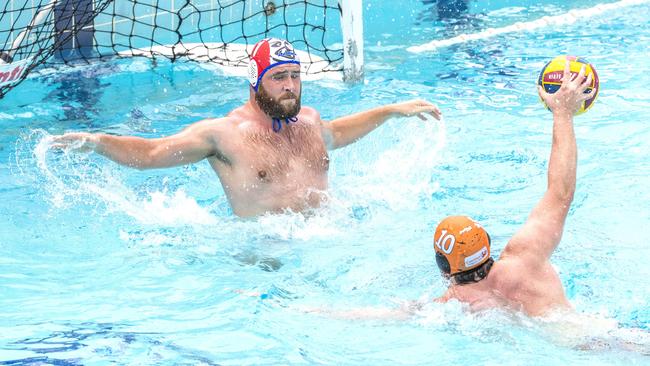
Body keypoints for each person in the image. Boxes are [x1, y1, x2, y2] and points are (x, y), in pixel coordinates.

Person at [305, 59, 594, 319]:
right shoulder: (526, 256)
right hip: (604, 337)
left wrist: (315, 311)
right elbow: (560, 191)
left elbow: (385, 315)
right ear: (487, 244)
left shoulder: (451, 306)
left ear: (444, 268)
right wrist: (562, 114)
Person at [50, 38, 441, 217]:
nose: (290, 86)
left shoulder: (309, 120)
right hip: (264, 254)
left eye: (295, 76)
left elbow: (337, 133)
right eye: (279, 77)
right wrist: (98, 142)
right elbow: (152, 153)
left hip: (328, 233)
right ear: (255, 81)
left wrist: (390, 110)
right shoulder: (224, 134)